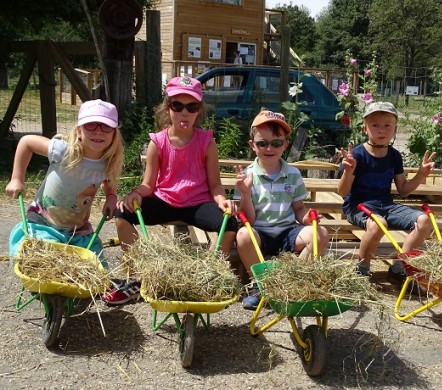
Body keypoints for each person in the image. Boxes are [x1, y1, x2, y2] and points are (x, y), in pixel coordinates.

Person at [104, 76, 239, 305]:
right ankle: (136, 278)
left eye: (192, 107)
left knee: (230, 224)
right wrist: (136, 193)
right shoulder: (158, 141)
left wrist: (222, 200)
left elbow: (215, 184)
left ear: (199, 110)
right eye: (178, 106)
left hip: (197, 204)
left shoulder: (207, 141)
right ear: (168, 108)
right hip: (165, 200)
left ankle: (214, 274)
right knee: (122, 214)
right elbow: (149, 184)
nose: (184, 113)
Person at [7, 99, 124, 266]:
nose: (98, 131)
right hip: (43, 224)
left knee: (95, 265)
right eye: (91, 125)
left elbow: (108, 180)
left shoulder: (107, 163)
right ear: (79, 130)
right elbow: (27, 142)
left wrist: (111, 197)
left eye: (106, 126)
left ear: (114, 133)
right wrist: (17, 178)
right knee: (47, 258)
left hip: (76, 231)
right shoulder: (63, 151)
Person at [234, 110, 330, 310]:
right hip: (260, 234)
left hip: (287, 232)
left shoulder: (293, 174)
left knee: (320, 233)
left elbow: (299, 208)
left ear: (285, 145)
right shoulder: (247, 176)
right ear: (253, 145)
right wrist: (245, 193)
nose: (269, 148)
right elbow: (248, 220)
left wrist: (308, 218)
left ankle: (293, 279)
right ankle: (259, 287)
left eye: (276, 143)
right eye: (262, 143)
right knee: (243, 235)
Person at [338, 101, 436, 280]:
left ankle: (400, 265)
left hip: (386, 205)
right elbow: (343, 192)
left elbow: (404, 190)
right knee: (379, 224)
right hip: (357, 206)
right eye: (375, 125)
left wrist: (421, 174)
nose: (381, 130)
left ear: (395, 129)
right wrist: (348, 171)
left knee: (424, 221)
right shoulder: (357, 155)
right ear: (365, 128)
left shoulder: (394, 155)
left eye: (387, 125)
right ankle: (362, 268)